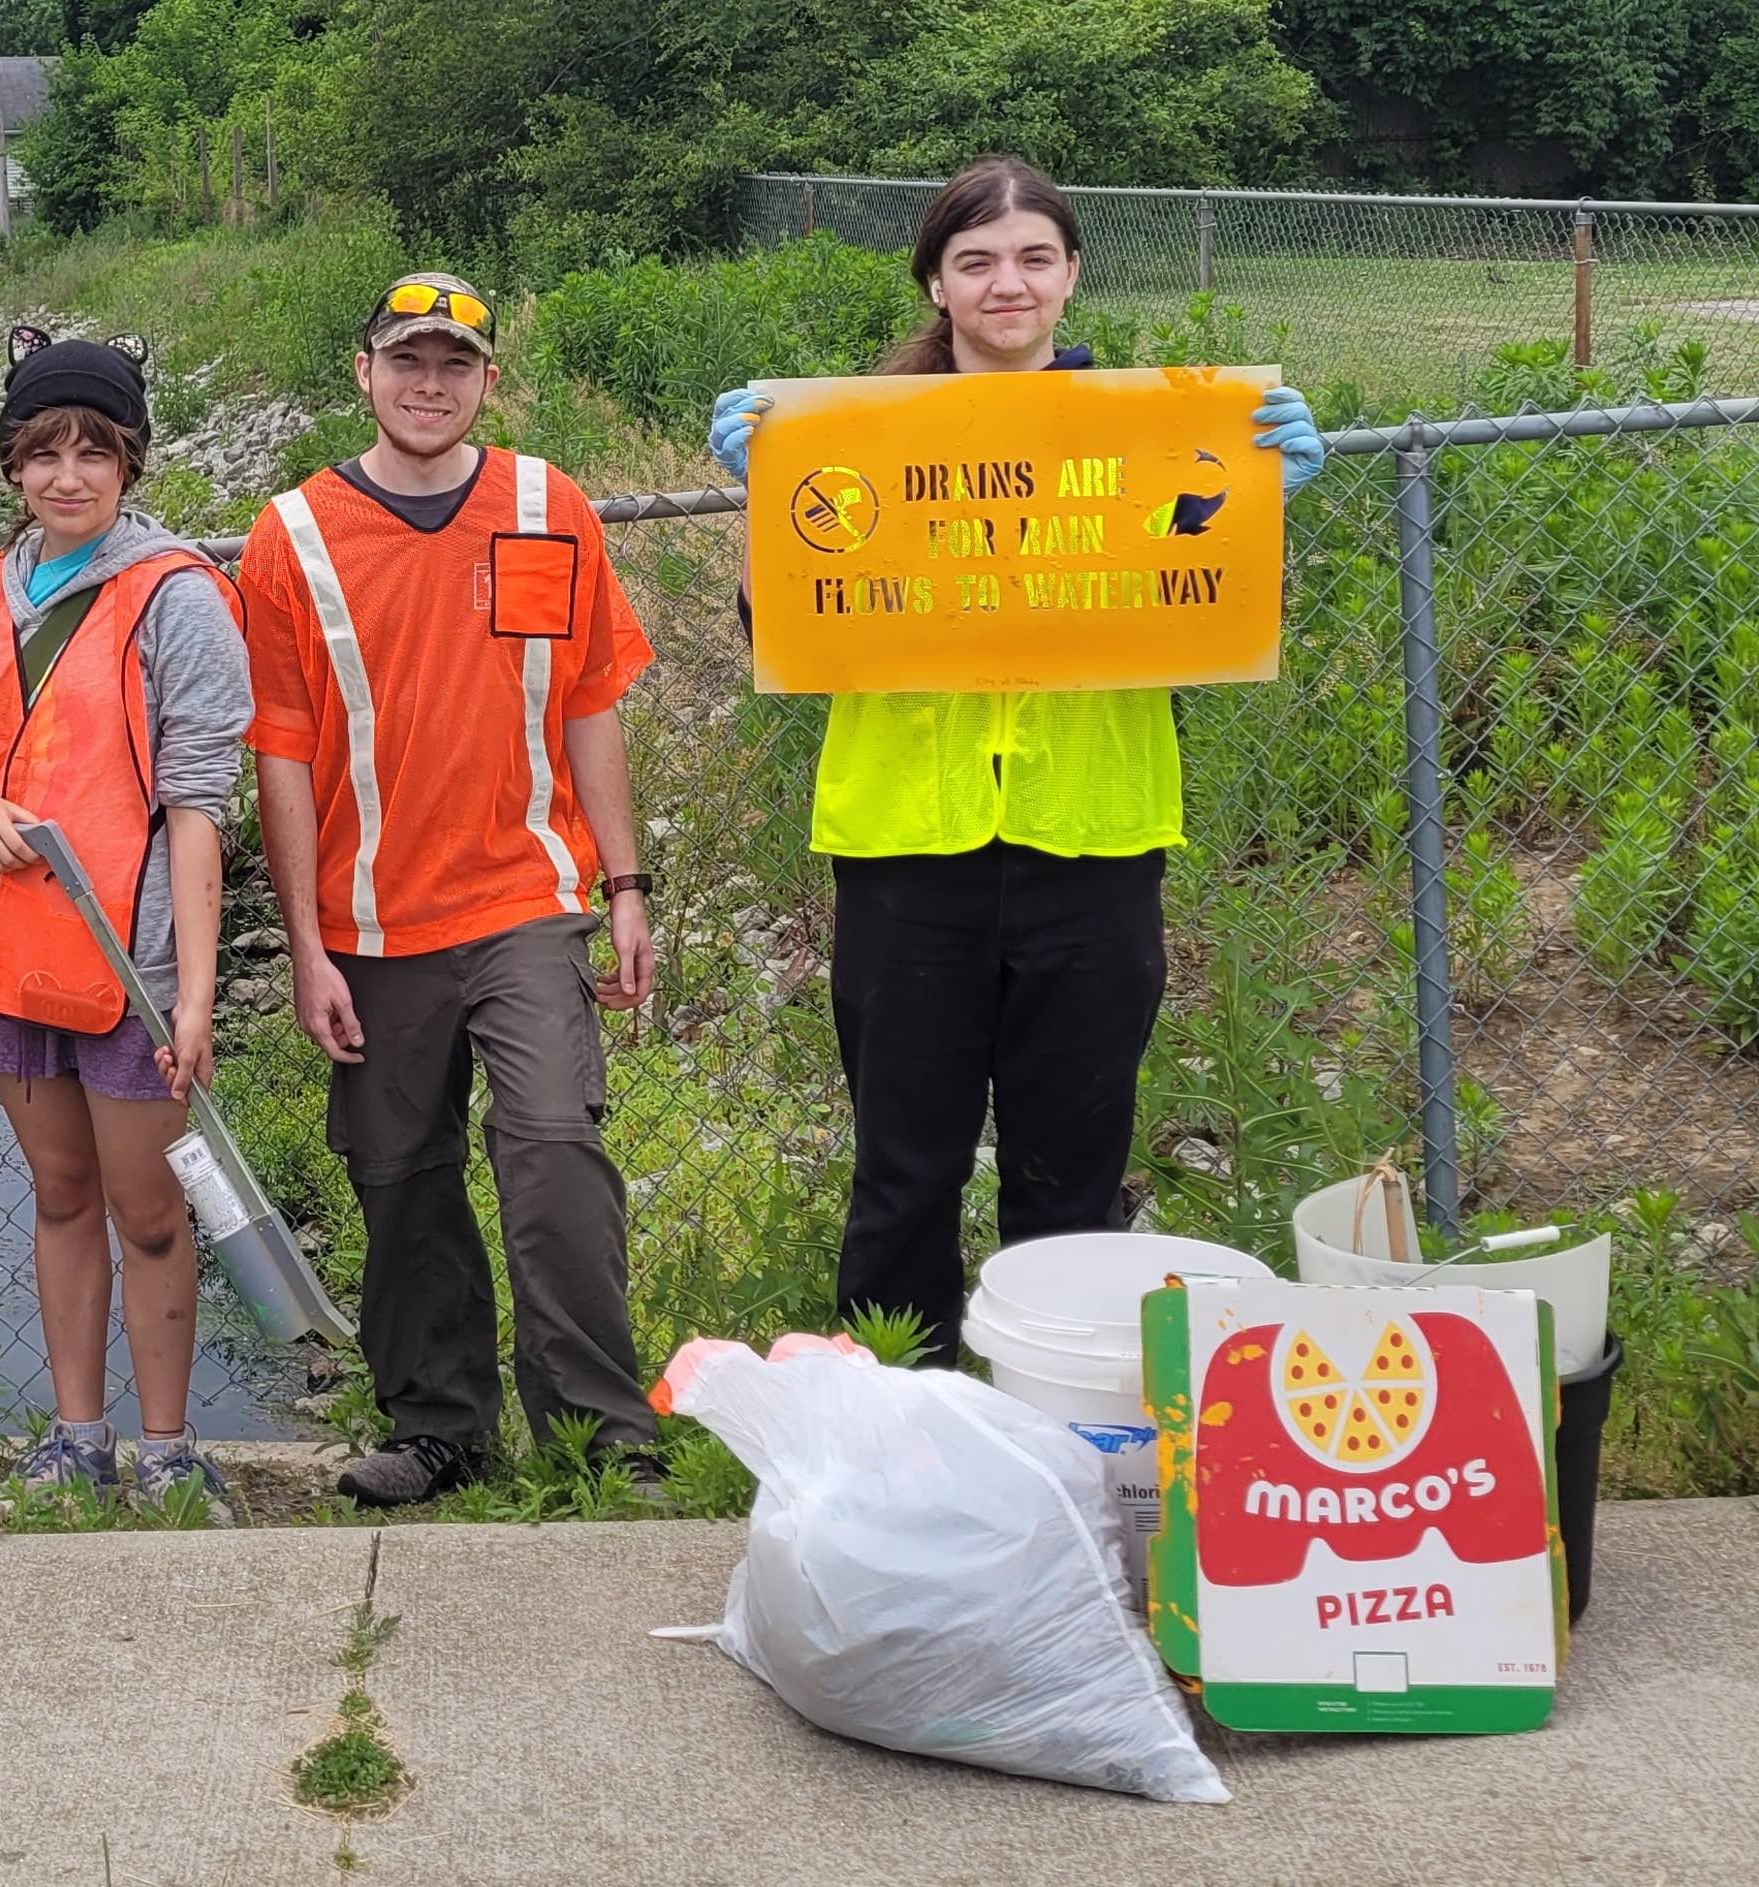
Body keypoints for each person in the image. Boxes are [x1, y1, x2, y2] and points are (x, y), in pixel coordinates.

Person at [706, 155, 1326, 1359]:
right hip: (904, 851)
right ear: (935, 283)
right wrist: (768, 504)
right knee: (903, 1180)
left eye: (1034, 256)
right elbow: (787, 639)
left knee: (1072, 1182)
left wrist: (1260, 500)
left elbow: (1202, 615)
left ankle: (1058, 1448)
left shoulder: (1154, 439)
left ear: (1073, 274)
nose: (1008, 283)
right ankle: (900, 1449)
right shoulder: (855, 439)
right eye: (976, 260)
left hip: (1092, 843)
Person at [238, 272, 664, 1508]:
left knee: (551, 1152)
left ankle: (601, 1436)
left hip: (526, 901)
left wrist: (624, 884)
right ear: (363, 373)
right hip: (369, 926)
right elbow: (278, 751)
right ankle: (439, 1425)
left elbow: (588, 703)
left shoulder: (546, 505)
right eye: (406, 361)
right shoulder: (294, 534)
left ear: (487, 382)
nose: (430, 386)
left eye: (456, 365)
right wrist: (308, 946)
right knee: (400, 1178)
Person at [0, 329, 253, 1518]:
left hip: (135, 961)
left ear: (130, 464)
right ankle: (76, 1435)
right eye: (44, 452)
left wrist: (197, 997)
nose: (68, 475)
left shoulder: (176, 598)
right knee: (60, 1195)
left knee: (148, 1209)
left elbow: (196, 805)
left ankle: (166, 1447)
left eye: (93, 452)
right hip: (11, 950)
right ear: (12, 464)